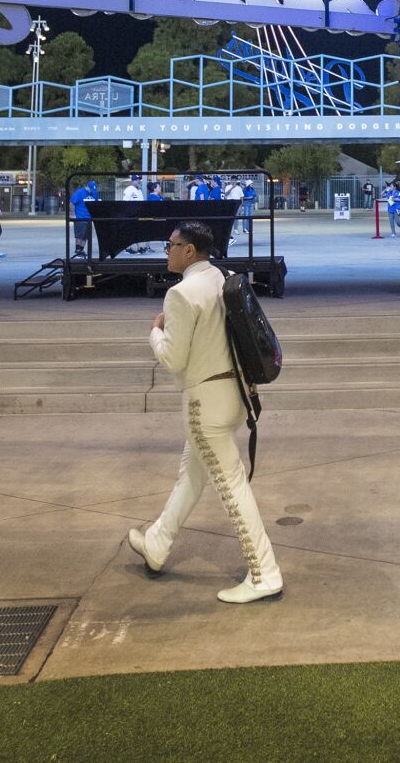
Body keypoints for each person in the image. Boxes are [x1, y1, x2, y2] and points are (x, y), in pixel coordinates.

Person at [127, 220, 284, 605]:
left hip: (204, 404)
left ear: (189, 251)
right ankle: (157, 543)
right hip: (233, 395)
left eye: (171, 245)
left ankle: (265, 572)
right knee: (192, 475)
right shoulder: (223, 278)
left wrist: (154, 332)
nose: (166, 251)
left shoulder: (181, 294)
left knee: (231, 487)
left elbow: (173, 358)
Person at [70, 178, 98, 257]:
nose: (91, 191)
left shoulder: (94, 192)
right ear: (87, 187)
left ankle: (81, 249)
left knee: (86, 236)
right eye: (90, 189)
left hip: (89, 218)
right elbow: (72, 203)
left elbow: (96, 203)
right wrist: (72, 214)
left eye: (93, 190)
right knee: (80, 235)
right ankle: (77, 250)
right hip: (80, 218)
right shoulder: (80, 192)